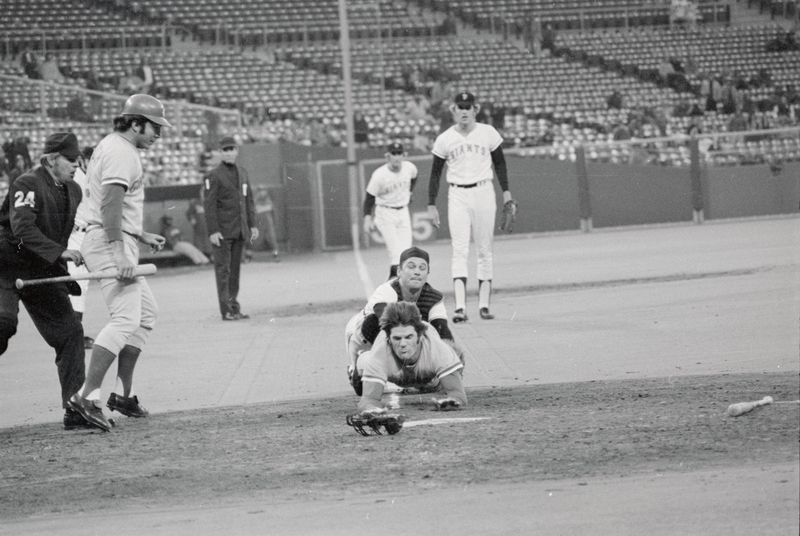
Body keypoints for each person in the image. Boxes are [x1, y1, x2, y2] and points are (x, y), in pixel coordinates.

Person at [67, 94, 170, 432]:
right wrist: (121, 252)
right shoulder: (122, 152)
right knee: (126, 318)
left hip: (113, 237)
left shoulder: (113, 146)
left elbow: (110, 206)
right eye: (154, 127)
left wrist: (138, 235)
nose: (159, 134)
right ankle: (84, 397)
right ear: (136, 123)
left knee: (146, 313)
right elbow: (110, 205)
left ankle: (123, 395)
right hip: (108, 242)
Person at [0, 132, 92, 430]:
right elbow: (23, 230)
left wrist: (62, 265)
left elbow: (60, 234)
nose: (77, 163)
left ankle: (75, 408)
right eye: (70, 158)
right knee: (2, 325)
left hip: (39, 269)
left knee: (70, 332)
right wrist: (61, 252)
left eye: (78, 158)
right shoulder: (27, 183)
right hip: (6, 264)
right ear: (52, 159)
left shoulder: (75, 190)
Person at [427, 91, 514, 322]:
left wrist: (506, 194)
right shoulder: (445, 139)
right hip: (457, 194)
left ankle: (484, 306)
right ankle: (460, 308)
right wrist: (431, 204)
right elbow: (435, 173)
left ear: (475, 110)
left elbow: (500, 164)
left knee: (485, 249)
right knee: (460, 249)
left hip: (484, 191)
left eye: (468, 107)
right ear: (453, 111)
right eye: (460, 107)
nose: (464, 111)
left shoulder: (488, 132)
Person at [345, 246, 463, 395]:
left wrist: (450, 364)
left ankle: (414, 376)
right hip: (364, 340)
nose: (417, 271)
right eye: (411, 266)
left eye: (422, 267)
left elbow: (443, 333)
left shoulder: (434, 298)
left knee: (433, 342)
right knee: (363, 389)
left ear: (427, 273)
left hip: (396, 339)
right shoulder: (387, 291)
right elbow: (385, 326)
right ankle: (357, 366)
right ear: (399, 271)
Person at [354, 301, 466, 413]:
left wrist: (454, 400)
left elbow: (457, 394)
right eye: (397, 338)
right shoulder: (380, 353)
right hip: (392, 374)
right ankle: (355, 372)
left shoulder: (437, 350)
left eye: (408, 337)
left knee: (455, 353)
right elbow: (369, 399)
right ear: (388, 339)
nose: (403, 344)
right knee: (364, 361)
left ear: (420, 336)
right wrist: (371, 409)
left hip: (430, 379)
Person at [203, 136, 258, 321]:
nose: (228, 153)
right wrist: (213, 231)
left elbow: (248, 200)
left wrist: (253, 225)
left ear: (236, 151)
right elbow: (209, 205)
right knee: (223, 270)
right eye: (225, 150)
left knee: (234, 271)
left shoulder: (243, 172)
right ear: (220, 152)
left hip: (239, 230)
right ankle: (226, 310)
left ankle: (234, 308)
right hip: (222, 232)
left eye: (231, 149)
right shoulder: (213, 175)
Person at [363, 142, 418, 279]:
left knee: (406, 254)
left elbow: (414, 177)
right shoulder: (379, 175)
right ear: (387, 156)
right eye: (393, 153)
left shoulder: (409, 168)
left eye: (399, 153)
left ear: (404, 155)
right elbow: (369, 197)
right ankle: (393, 290)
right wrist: (367, 218)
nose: (397, 157)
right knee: (395, 253)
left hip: (403, 211)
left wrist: (410, 192)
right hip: (385, 213)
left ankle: (391, 286)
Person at [66, 146, 97, 350]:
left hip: (90, 234)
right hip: (74, 234)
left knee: (82, 285)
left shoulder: (95, 175)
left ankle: (74, 334)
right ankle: (74, 337)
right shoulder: (75, 176)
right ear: (83, 160)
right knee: (78, 284)